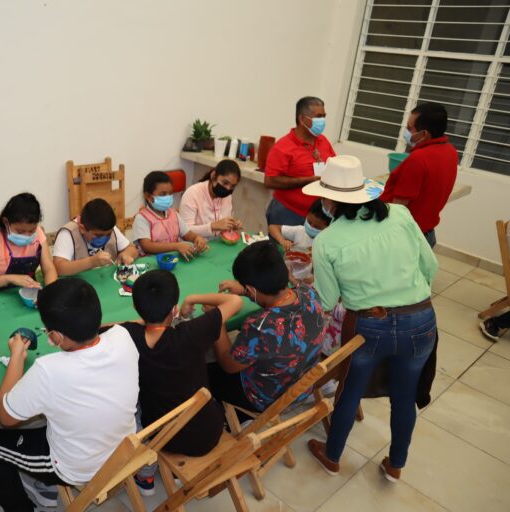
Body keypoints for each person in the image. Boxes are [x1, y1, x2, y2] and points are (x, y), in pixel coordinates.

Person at [302, 155, 438, 483]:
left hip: (368, 325)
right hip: (420, 319)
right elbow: (430, 266)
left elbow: (328, 300)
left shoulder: (327, 241)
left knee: (350, 390)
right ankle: (396, 465)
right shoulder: (401, 215)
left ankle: (332, 456)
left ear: (329, 202)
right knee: (404, 396)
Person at [0, 278, 139, 512]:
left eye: (49, 332)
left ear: (57, 337)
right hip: (123, 449)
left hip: (76, 467)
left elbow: (6, 417)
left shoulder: (48, 369)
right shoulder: (123, 336)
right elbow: (109, 329)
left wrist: (16, 356)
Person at [120, 270, 243, 494]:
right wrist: (193, 298)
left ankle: (146, 473)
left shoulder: (128, 334)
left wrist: (141, 320)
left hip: (164, 436)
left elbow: (104, 328)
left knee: (130, 404)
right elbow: (234, 301)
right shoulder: (191, 333)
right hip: (210, 430)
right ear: (174, 309)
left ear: (137, 309)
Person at [210, 241, 325, 413]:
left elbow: (228, 365)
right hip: (301, 385)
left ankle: (233, 417)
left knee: (204, 370)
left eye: (248, 290)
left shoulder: (260, 326)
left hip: (265, 397)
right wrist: (246, 291)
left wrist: (218, 319)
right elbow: (277, 301)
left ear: (252, 289)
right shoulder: (308, 293)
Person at [380, 102, 458, 248]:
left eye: (410, 128)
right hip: (426, 234)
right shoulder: (450, 151)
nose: (406, 132)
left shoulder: (419, 159)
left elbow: (398, 209)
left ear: (424, 134)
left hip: (404, 238)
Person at [264, 96, 337, 226]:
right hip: (288, 213)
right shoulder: (283, 147)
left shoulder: (323, 141)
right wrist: (307, 180)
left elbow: (334, 165)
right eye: (318, 116)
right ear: (302, 119)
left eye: (324, 116)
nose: (322, 120)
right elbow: (270, 181)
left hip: (319, 217)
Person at [0, 192, 58, 292]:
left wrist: (50, 292)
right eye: (20, 231)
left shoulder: (38, 233)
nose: (27, 236)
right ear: (6, 222)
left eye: (31, 231)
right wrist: (8, 279)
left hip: (28, 294)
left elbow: (49, 269)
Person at [53, 198, 139, 276]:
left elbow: (133, 249)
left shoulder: (108, 228)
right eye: (99, 235)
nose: (105, 237)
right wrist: (91, 262)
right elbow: (59, 268)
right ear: (82, 228)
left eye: (109, 234)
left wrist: (126, 254)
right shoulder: (68, 233)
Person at [133, 171, 208, 260]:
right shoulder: (142, 218)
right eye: (163, 194)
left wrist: (196, 238)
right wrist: (176, 246)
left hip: (173, 259)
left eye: (170, 193)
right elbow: (147, 246)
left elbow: (186, 233)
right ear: (148, 196)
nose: (168, 197)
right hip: (153, 262)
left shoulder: (173, 213)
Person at [178, 159, 243, 239]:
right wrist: (212, 226)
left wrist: (231, 226)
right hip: (193, 246)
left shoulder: (227, 197)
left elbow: (222, 227)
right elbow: (184, 231)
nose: (228, 188)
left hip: (217, 245)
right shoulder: (192, 193)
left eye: (232, 186)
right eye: (225, 183)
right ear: (213, 176)